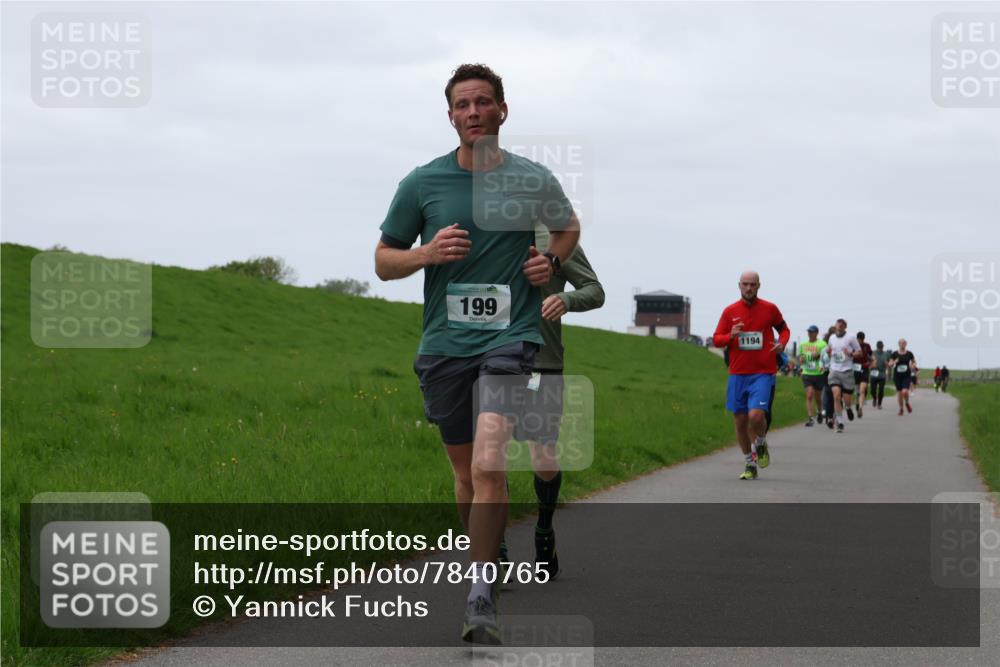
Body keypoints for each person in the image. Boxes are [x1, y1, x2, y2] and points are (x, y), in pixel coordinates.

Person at [374, 63, 580, 645]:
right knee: (465, 475)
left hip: (510, 340)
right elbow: (383, 260)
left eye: (483, 102)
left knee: (491, 463)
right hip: (444, 345)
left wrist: (552, 264)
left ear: (502, 111)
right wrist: (426, 254)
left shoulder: (531, 178)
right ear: (450, 116)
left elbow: (567, 228)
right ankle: (485, 558)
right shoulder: (422, 184)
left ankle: (481, 594)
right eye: (462, 104)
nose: (473, 112)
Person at [514, 225, 604, 582]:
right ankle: (497, 548)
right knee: (489, 454)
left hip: (540, 363)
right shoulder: (478, 233)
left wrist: (566, 300)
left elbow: (594, 290)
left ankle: (544, 529)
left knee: (543, 451)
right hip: (486, 359)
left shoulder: (553, 239)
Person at [712, 271, 790, 480]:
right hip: (737, 374)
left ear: (759, 286)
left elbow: (784, 330)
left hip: (763, 373)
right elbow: (717, 339)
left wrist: (781, 344)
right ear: (739, 286)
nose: (748, 288)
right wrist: (731, 336)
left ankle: (761, 442)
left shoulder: (769, 309)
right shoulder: (730, 312)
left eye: (752, 285)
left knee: (756, 416)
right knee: (740, 422)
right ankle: (749, 463)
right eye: (745, 284)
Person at [826, 319, 862, 433]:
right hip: (834, 370)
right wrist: (828, 352)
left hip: (847, 371)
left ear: (845, 327)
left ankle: (848, 407)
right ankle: (840, 422)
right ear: (835, 326)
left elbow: (859, 352)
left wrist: (850, 354)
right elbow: (829, 350)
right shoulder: (831, 338)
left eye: (842, 325)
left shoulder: (851, 337)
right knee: (836, 396)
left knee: (847, 399)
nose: (840, 327)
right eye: (838, 325)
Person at [798, 325, 827, 427]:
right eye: (809, 332)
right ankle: (810, 418)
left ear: (816, 333)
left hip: (818, 373)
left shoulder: (822, 344)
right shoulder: (803, 344)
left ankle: (819, 411)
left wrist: (818, 355)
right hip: (807, 373)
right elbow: (801, 356)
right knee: (809, 394)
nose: (809, 334)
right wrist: (801, 360)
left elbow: (826, 357)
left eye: (812, 332)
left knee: (818, 397)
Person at [888, 339, 918, 416]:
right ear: (898, 344)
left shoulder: (909, 353)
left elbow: (914, 361)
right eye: (901, 343)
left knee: (905, 391)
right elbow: (890, 364)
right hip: (897, 376)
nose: (902, 344)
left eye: (904, 343)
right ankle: (901, 409)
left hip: (906, 375)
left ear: (906, 344)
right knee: (899, 393)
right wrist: (894, 362)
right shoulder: (894, 354)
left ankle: (907, 403)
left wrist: (913, 365)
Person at [853, 331, 873, 418]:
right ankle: (857, 402)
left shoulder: (867, 346)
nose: (860, 341)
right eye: (858, 339)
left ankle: (860, 408)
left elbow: (870, 357)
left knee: (862, 390)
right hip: (855, 370)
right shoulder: (853, 346)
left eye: (861, 339)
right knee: (857, 391)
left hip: (864, 370)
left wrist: (869, 363)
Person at [869, 340, 890, 409]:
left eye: (881, 347)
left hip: (882, 374)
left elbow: (889, 364)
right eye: (879, 347)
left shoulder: (886, 354)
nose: (880, 349)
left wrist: (887, 364)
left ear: (883, 347)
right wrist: (872, 365)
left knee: (881, 390)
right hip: (873, 374)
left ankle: (879, 404)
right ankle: (875, 398)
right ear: (877, 347)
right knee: (872, 390)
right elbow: (868, 363)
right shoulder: (872, 353)